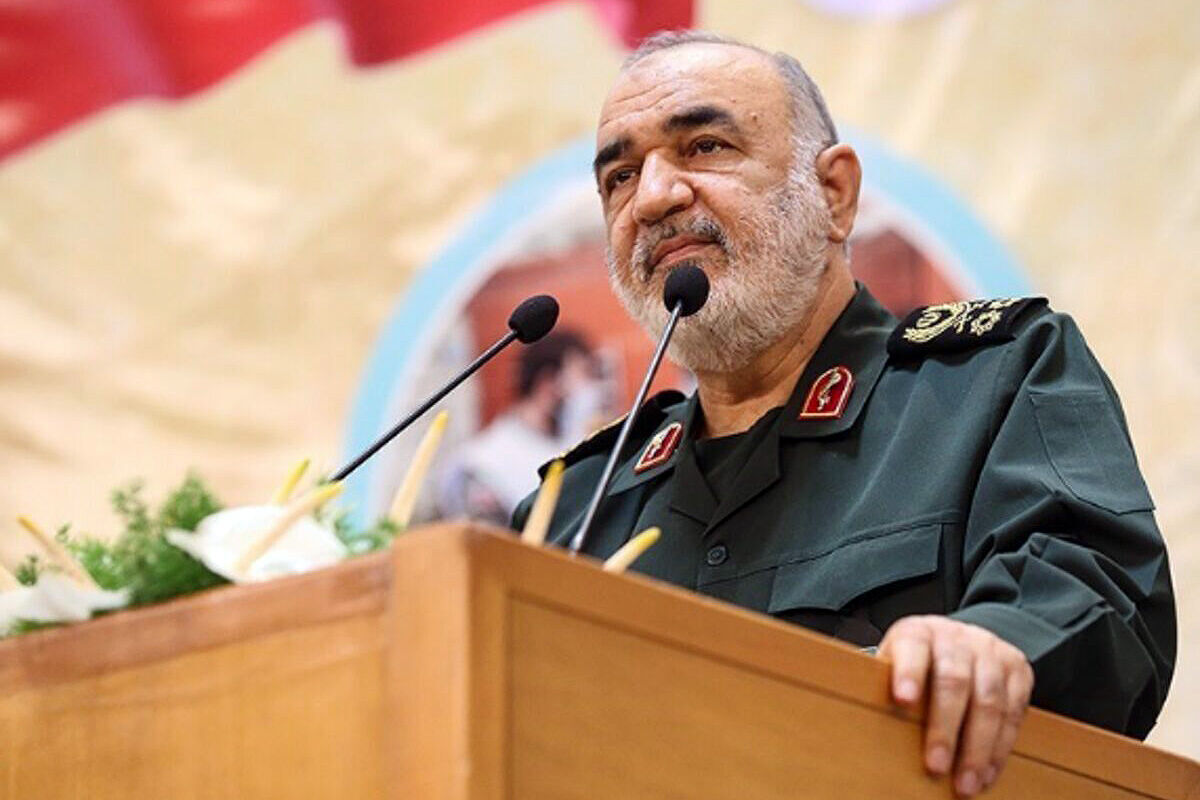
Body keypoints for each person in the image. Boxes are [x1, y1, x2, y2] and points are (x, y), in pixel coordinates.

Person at [511, 30, 1176, 798]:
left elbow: (1100, 592)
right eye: (620, 176)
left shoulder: (994, 382)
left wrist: (993, 643)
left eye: (705, 146)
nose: (654, 196)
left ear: (834, 194)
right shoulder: (572, 511)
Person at [439, 329, 611, 525]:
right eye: (584, 377)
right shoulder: (480, 464)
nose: (593, 392)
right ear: (547, 383)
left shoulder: (566, 444)